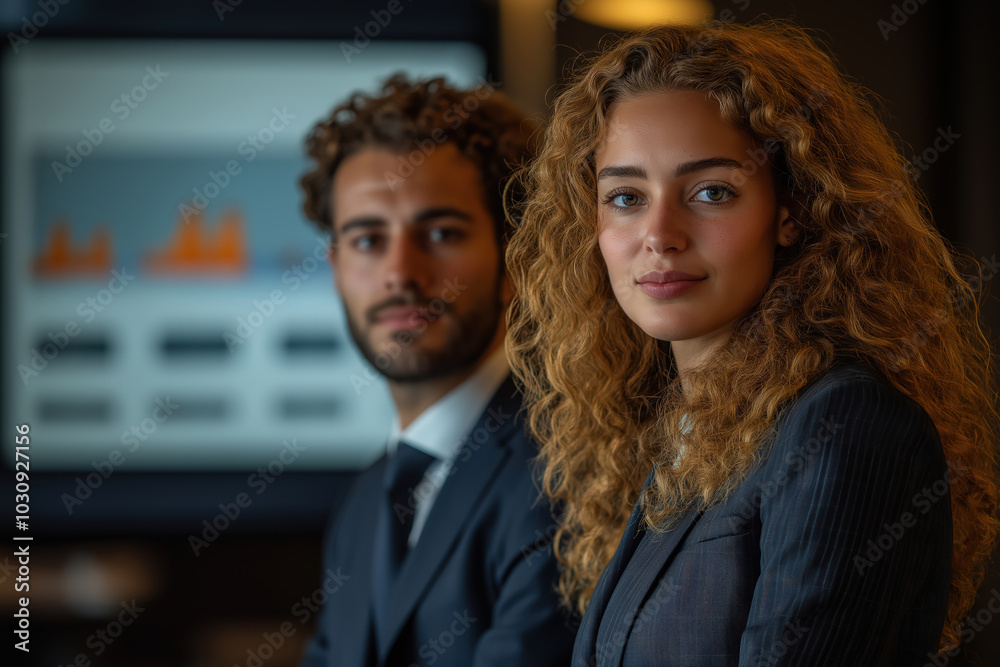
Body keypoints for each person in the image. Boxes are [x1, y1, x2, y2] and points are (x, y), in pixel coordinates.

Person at [505, 21, 999, 665]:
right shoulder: (686, 436)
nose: (659, 234)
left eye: (712, 192)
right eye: (625, 196)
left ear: (792, 210)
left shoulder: (846, 424)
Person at [297, 75, 575, 667]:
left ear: (515, 255)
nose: (401, 271)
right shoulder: (364, 504)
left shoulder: (566, 471)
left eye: (441, 233)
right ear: (337, 266)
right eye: (368, 239)